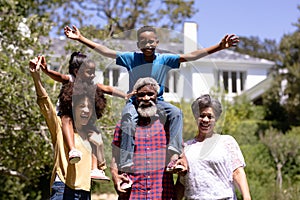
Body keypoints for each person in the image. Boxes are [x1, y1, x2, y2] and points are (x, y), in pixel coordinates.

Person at [64, 25, 239, 172]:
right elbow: (107, 52)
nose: (148, 44)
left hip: (158, 102)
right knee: (127, 118)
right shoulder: (131, 58)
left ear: (156, 42)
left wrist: (219, 47)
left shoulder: (165, 59)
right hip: (135, 100)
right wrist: (81, 38)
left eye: (151, 41)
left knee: (176, 113)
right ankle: (126, 161)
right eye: (144, 42)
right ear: (138, 44)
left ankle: (174, 152)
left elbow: (191, 56)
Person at [29, 56, 109, 199]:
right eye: (81, 106)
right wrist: (36, 77)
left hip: (85, 192)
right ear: (72, 106)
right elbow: (45, 102)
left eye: (89, 107)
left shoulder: (92, 134)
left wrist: (98, 145)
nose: (85, 110)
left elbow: (100, 166)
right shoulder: (60, 127)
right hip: (62, 189)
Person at [39, 53, 126, 181]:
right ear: (77, 71)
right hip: (66, 115)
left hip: (82, 119)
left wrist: (125, 95)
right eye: (89, 72)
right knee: (67, 118)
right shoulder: (70, 79)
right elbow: (58, 76)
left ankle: (95, 168)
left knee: (95, 135)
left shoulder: (92, 84)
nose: (92, 75)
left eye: (93, 72)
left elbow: (107, 88)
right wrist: (46, 70)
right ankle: (73, 150)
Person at [110, 77, 183, 199]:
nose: (146, 98)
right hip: (133, 194)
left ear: (157, 96)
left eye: (150, 94)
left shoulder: (167, 125)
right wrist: (114, 175)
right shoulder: (125, 125)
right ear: (135, 97)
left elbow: (182, 155)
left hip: (162, 194)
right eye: (141, 95)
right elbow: (115, 156)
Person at [175, 94, 251, 200]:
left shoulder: (227, 142)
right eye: (201, 115)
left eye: (210, 116)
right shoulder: (186, 148)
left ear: (216, 119)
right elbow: (181, 183)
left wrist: (246, 197)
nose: (205, 120)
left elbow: (237, 172)